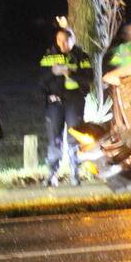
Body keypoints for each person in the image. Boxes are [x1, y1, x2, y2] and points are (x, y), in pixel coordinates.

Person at [39, 27, 93, 186]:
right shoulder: (49, 56)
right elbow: (41, 80)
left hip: (74, 102)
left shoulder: (81, 57)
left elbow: (88, 79)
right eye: (59, 40)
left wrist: (70, 73)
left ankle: (75, 174)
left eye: (66, 40)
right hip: (54, 104)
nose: (63, 44)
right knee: (54, 139)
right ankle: (52, 174)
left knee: (74, 138)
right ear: (56, 41)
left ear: (73, 40)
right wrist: (53, 73)